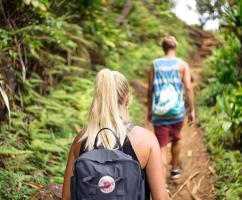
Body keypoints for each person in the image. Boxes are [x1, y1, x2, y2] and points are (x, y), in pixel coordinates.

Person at [62, 68, 169, 200]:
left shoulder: (82, 140)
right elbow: (160, 198)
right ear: (127, 100)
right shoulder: (146, 140)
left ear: (98, 99)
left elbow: (66, 197)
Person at [147, 36, 195, 180]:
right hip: (177, 112)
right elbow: (188, 87)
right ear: (175, 47)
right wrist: (192, 110)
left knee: (161, 146)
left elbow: (150, 89)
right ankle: (174, 170)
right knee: (176, 139)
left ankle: (161, 183)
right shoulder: (182, 65)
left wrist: (150, 110)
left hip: (159, 112)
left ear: (163, 48)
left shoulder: (154, 64)